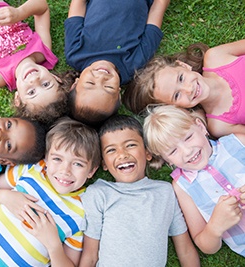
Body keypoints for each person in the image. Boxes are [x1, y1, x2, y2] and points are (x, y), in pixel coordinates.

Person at [78, 114, 200, 266]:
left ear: (147, 153)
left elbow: (185, 250)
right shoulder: (99, 193)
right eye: (111, 150)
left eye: (130, 145)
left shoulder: (165, 192)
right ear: (104, 164)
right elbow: (90, 255)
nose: (122, 154)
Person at [0, 117, 101, 267]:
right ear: (46, 159)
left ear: (92, 171)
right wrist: (5, 196)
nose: (65, 170)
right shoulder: (32, 170)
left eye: (77, 164)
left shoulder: (81, 214)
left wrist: (53, 245)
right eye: (57, 159)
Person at [143, 104, 245, 257]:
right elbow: (205, 246)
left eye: (188, 137)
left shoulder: (238, 142)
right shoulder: (182, 187)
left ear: (201, 127)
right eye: (172, 151)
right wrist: (215, 226)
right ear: (166, 160)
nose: (187, 151)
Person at [64, 0, 170, 126]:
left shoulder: (75, 53)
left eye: (90, 83)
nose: (101, 77)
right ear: (119, 93)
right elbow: (154, 19)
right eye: (108, 87)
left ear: (75, 84)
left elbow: (77, 8)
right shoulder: (134, 65)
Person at [124, 40, 245, 138]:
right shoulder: (219, 125)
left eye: (181, 78)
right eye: (176, 95)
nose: (188, 89)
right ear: (176, 108)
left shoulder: (216, 57)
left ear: (183, 66)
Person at [0, 0, 69, 124]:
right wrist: (19, 13)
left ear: (18, 98)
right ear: (55, 77)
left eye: (31, 92)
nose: (34, 80)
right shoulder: (42, 50)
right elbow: (41, 7)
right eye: (46, 84)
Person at [0, 104, 46, 188]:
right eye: (8, 125)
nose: (0, 133)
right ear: (3, 118)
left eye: (9, 145)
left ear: (5, 161)